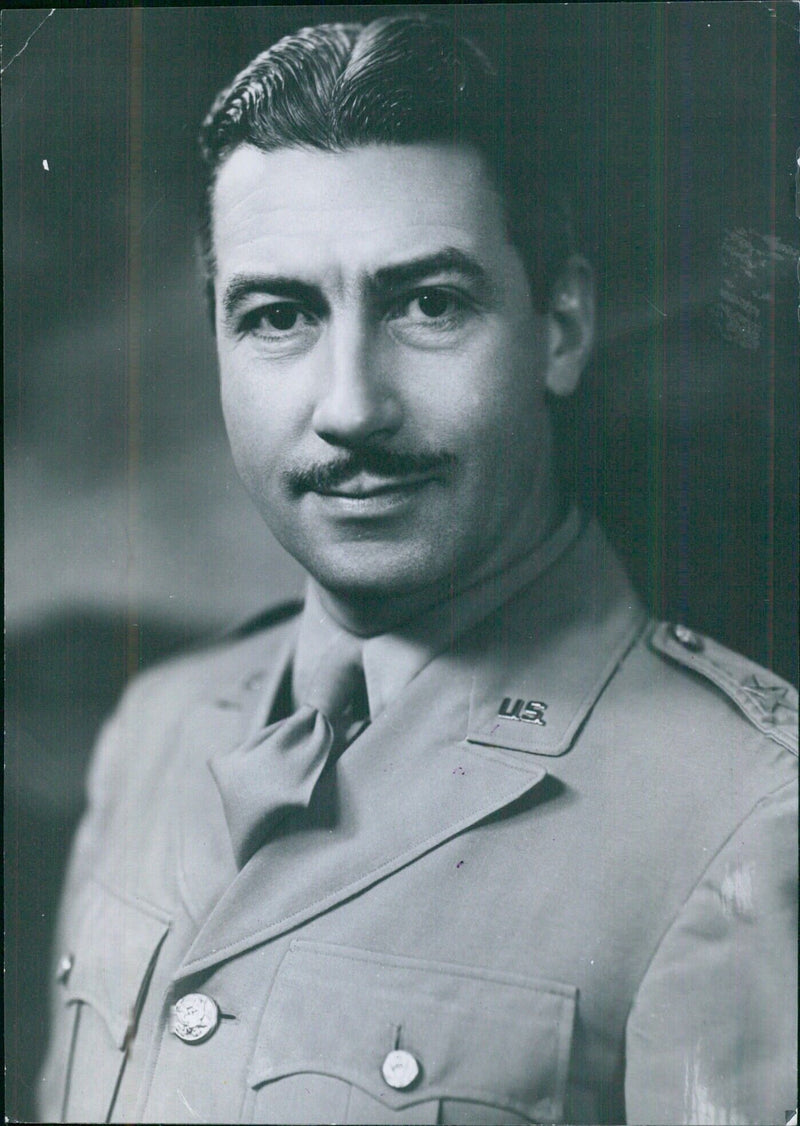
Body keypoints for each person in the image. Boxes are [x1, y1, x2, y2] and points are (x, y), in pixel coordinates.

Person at [39, 15, 797, 1125]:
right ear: (214, 342)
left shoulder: (749, 819)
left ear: (561, 326)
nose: (350, 406)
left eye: (428, 304)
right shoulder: (153, 733)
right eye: (278, 314)